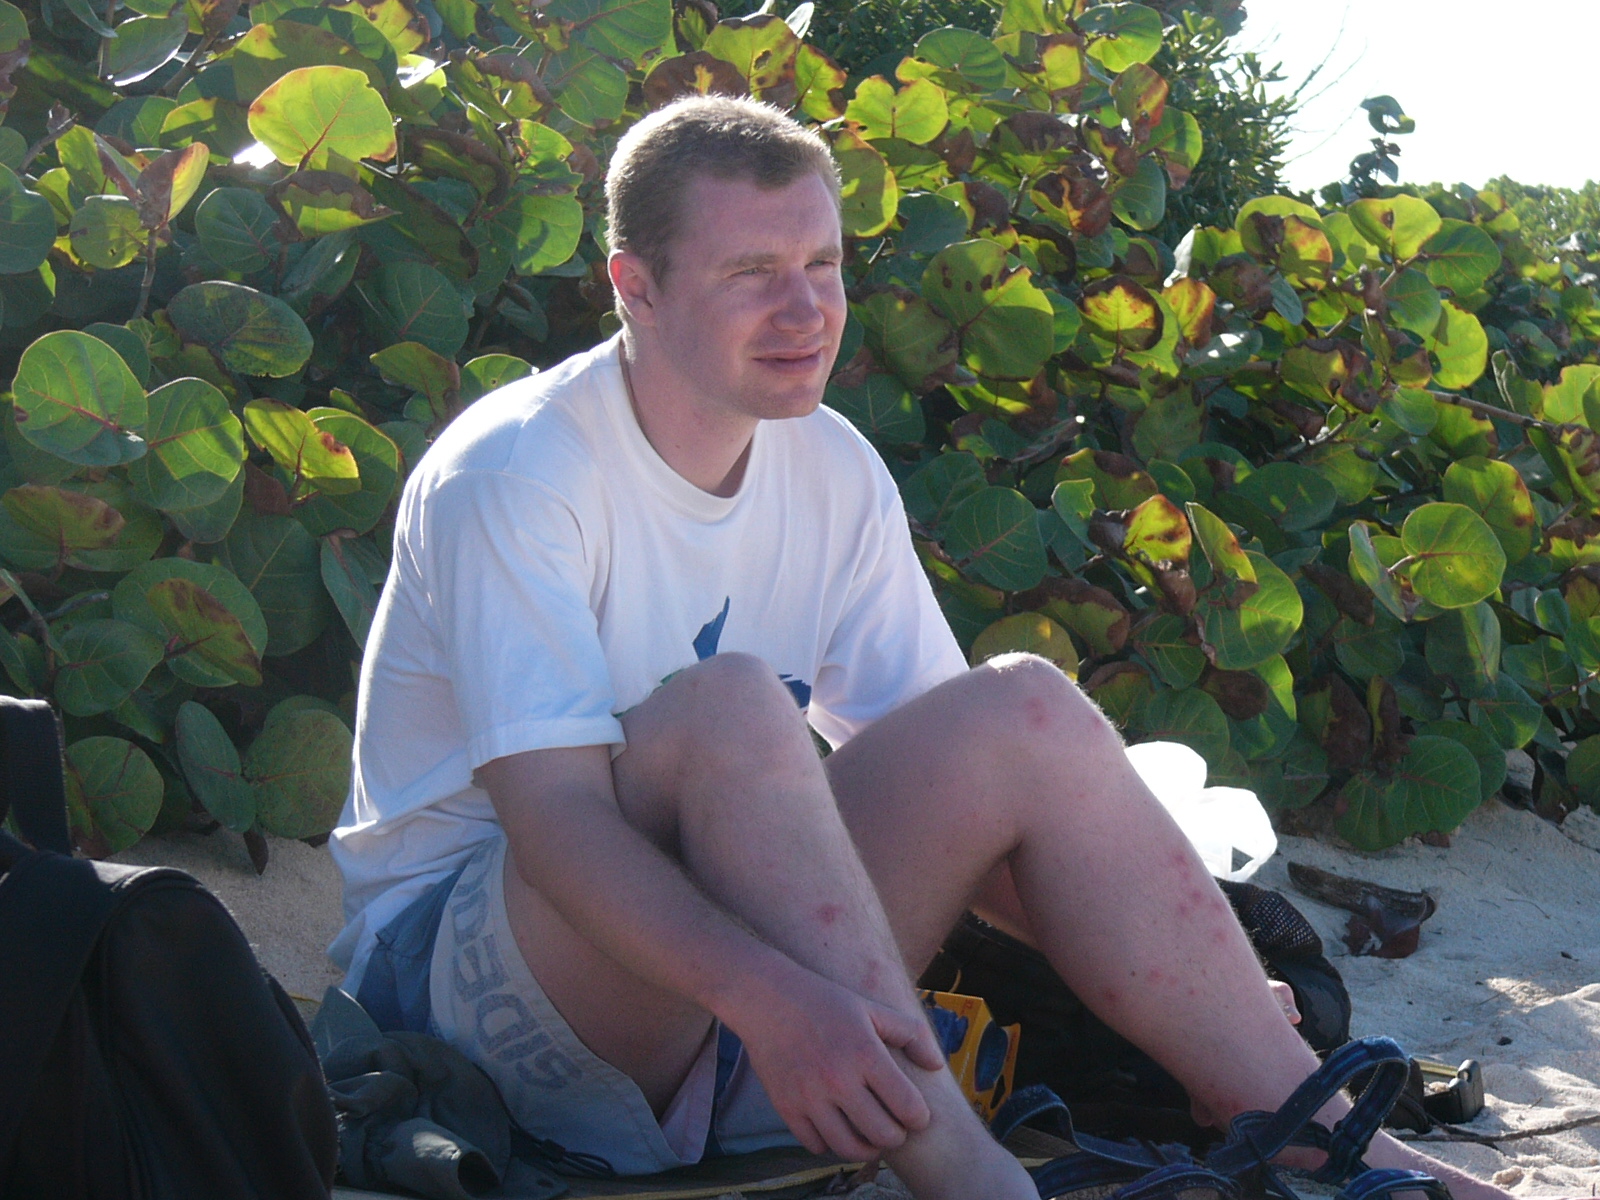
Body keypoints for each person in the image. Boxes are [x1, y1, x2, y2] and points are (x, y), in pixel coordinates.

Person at [328, 95, 1512, 1200]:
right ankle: (959, 1166)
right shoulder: (517, 470)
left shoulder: (830, 466)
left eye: (823, 265)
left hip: (739, 1019)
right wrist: (773, 999)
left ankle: (1314, 1127)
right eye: (752, 272)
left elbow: (981, 804)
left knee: (1021, 711)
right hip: (479, 1003)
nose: (806, 310)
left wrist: (1205, 1001)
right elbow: (557, 828)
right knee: (732, 707)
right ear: (634, 286)